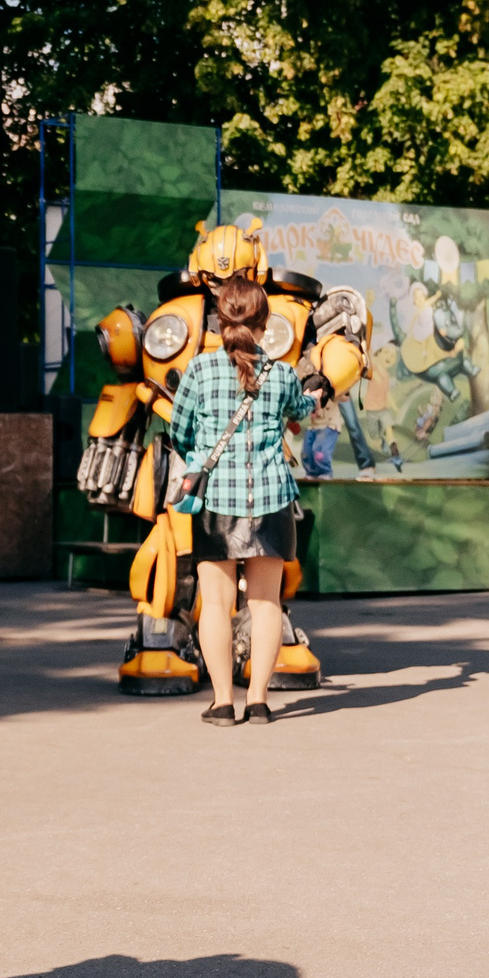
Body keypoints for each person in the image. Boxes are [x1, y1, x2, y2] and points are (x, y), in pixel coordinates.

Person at [170, 273, 317, 726]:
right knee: (266, 603)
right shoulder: (283, 374)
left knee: (215, 604)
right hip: (272, 501)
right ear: (265, 321)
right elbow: (303, 410)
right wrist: (317, 391)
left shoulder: (199, 370)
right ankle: (258, 701)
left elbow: (178, 431)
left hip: (216, 502)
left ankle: (221, 702)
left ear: (218, 320)